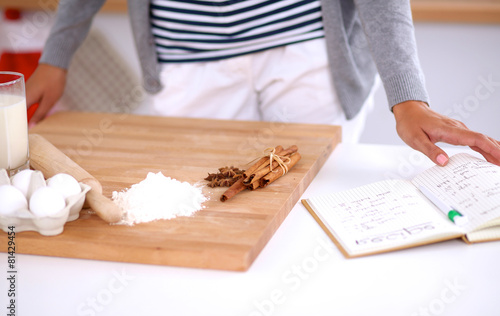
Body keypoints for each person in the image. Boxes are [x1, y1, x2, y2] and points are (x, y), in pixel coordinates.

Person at [26, 0, 500, 167]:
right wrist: (57, 53)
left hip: (308, 53)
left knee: (311, 209)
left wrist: (408, 95)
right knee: (202, 205)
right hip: (188, 59)